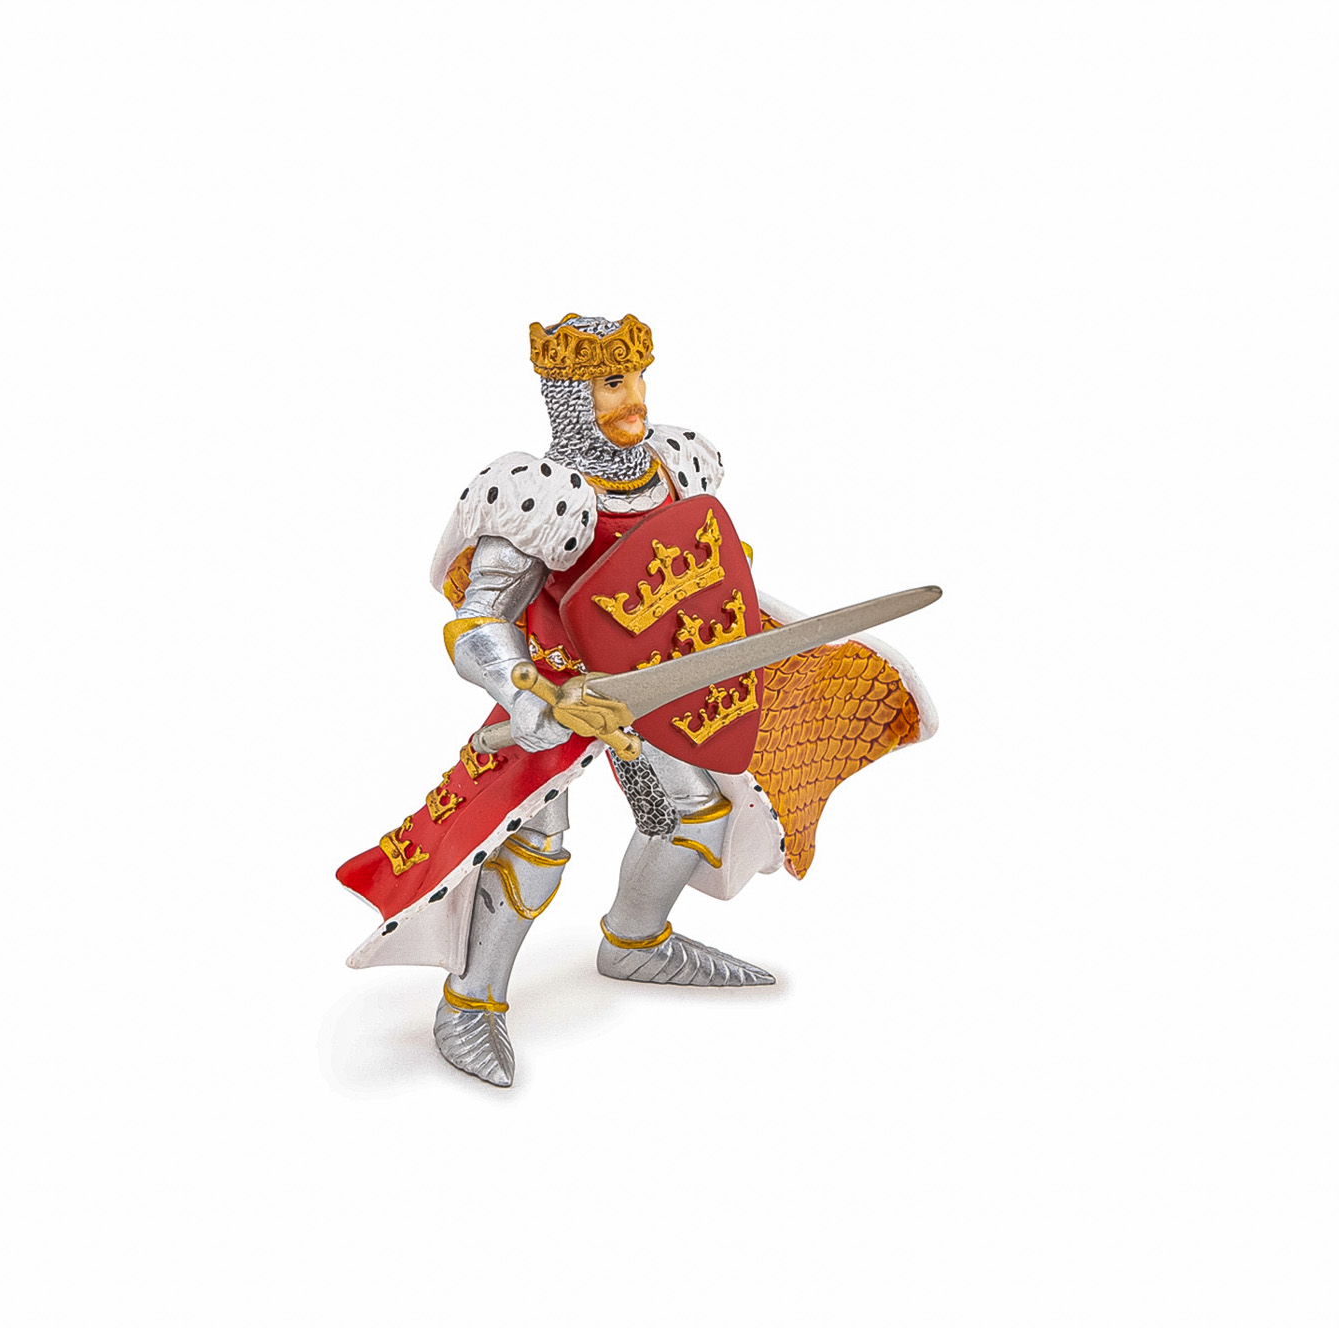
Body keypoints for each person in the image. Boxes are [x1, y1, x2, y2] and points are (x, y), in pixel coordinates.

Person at [337, 314, 936, 1086]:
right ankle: (470, 1003)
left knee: (697, 812)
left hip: (658, 685)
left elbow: (708, 573)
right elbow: (479, 622)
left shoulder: (676, 465)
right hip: (562, 693)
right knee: (531, 845)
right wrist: (523, 695)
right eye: (613, 383)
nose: (635, 398)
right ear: (569, 396)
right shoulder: (541, 495)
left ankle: (635, 940)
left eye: (639, 377)